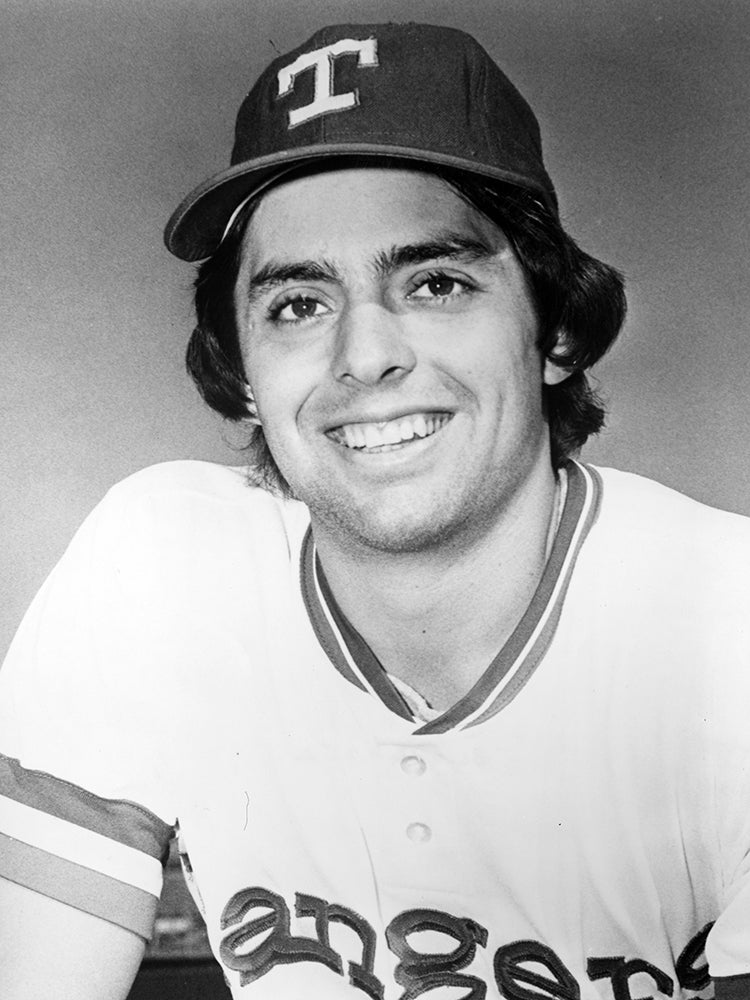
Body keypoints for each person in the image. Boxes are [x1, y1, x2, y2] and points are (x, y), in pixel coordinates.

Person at [0, 20, 748, 1000]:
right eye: (298, 304)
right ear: (242, 371)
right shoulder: (160, 566)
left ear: (555, 329)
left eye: (436, 282)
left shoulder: (724, 626)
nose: (364, 356)